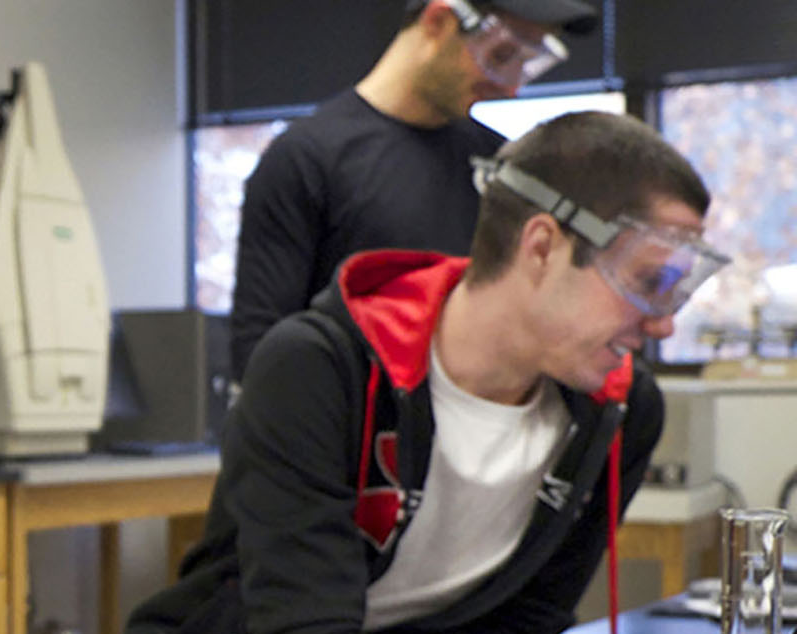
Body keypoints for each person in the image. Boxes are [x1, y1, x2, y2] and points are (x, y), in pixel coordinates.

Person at [101, 111, 735, 634]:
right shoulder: (319, 369)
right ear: (541, 246)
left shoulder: (619, 412)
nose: (662, 327)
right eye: (650, 283)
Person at [229, 0, 598, 382]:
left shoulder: (504, 166)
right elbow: (262, 350)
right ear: (438, 21)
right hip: (357, 424)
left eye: (527, 63)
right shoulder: (307, 158)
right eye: (500, 54)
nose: (508, 86)